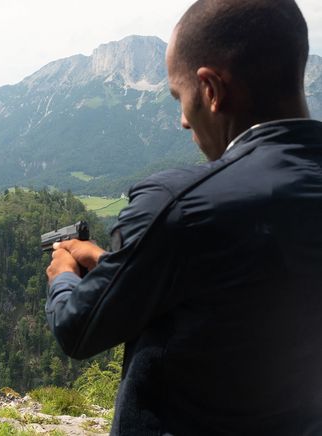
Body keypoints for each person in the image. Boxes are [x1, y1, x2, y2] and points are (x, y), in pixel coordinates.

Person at [45, 0, 322, 434]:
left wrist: (63, 273)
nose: (182, 121)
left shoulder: (179, 204)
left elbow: (78, 328)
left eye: (179, 96)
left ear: (211, 90)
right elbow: (239, 285)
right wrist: (114, 265)